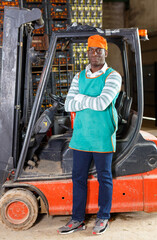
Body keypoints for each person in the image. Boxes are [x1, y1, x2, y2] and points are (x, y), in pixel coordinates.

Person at [58, 35, 122, 235]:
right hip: (82, 136)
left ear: (105, 52)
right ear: (87, 53)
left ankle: (103, 217)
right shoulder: (79, 76)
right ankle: (77, 219)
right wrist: (87, 100)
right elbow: (69, 104)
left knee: (104, 177)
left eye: (99, 50)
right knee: (78, 177)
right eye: (91, 50)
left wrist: (81, 99)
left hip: (103, 135)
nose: (95, 53)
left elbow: (103, 103)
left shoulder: (113, 76)